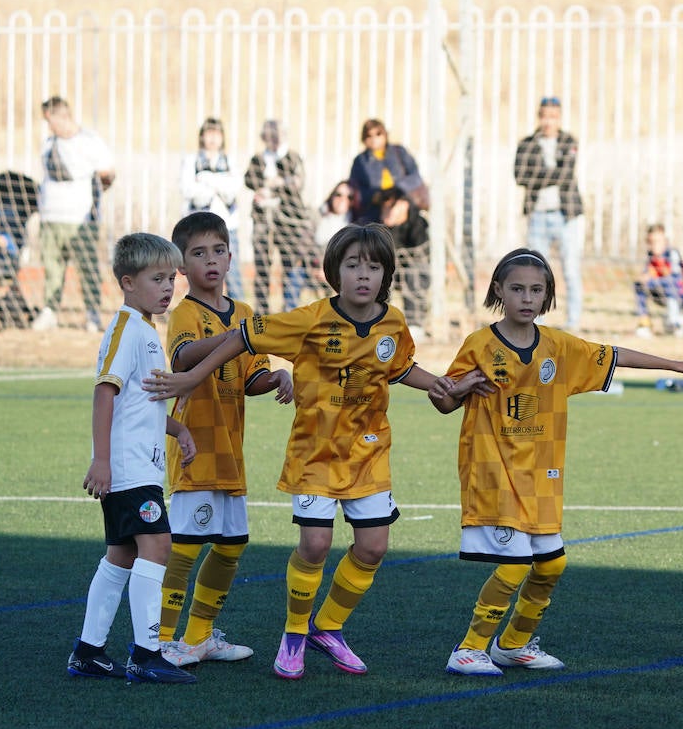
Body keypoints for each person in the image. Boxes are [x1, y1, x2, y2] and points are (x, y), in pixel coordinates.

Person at [144, 223, 484, 680]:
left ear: (386, 274)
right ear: (333, 271)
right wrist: (188, 377)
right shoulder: (309, 319)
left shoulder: (393, 322)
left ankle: (328, 628)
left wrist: (443, 383)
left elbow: (400, 367)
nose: (364, 275)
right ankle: (291, 634)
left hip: (367, 454)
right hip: (314, 454)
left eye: (374, 266)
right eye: (353, 265)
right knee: (315, 542)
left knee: (374, 545)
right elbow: (244, 336)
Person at [437, 249, 683, 676]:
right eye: (517, 289)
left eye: (536, 290)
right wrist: (460, 389)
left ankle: (513, 643)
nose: (527, 298)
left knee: (551, 564)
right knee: (513, 566)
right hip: (493, 472)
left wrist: (676, 364)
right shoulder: (479, 344)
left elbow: (613, 354)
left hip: (541, 476)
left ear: (547, 294)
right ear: (498, 291)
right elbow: (443, 399)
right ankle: (469, 648)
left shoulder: (558, 346)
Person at [156, 211, 295, 668]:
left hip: (230, 453)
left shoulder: (244, 313)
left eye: (218, 251)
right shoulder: (185, 313)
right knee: (185, 546)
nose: (210, 261)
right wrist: (236, 338)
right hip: (195, 446)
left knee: (232, 544)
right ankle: (159, 640)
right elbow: (182, 359)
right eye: (198, 253)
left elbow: (249, 377)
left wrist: (274, 376)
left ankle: (198, 638)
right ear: (181, 266)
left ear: (231, 257)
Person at [67, 231, 198, 685]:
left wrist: (177, 429)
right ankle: (146, 654)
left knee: (121, 555)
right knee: (157, 545)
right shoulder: (127, 329)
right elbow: (105, 394)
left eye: (171, 279)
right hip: (127, 467)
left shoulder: (144, 330)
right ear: (127, 282)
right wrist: (100, 461)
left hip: (139, 464)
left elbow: (139, 404)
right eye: (157, 278)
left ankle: (88, 651)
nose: (168, 288)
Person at [34, 95, 115, 332]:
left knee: (87, 267)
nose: (50, 126)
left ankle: (92, 313)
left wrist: (93, 197)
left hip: (80, 218)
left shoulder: (89, 141)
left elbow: (108, 173)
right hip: (50, 217)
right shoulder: (49, 143)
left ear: (63, 116)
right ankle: (50, 310)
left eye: (51, 120)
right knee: (52, 266)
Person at [514, 97, 586, 330]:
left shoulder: (568, 141)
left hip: (567, 215)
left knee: (571, 269)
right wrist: (549, 174)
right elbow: (521, 177)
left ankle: (573, 322)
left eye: (553, 116)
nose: (548, 121)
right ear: (539, 116)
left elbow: (565, 175)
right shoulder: (527, 144)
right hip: (538, 215)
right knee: (535, 271)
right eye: (545, 115)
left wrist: (539, 175)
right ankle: (537, 320)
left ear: (559, 117)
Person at [244, 119, 313, 314]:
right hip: (262, 219)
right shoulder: (259, 159)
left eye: (277, 135)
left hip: (288, 220)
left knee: (290, 264)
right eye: (269, 136)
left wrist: (276, 184)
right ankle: (262, 309)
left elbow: (298, 182)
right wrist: (266, 186)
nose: (273, 140)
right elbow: (249, 179)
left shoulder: (291, 157)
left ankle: (289, 309)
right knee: (262, 266)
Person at [179, 118, 244, 298]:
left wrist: (207, 178)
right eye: (209, 134)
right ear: (202, 136)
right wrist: (219, 184)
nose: (213, 139)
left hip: (227, 226)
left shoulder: (230, 160)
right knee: (199, 271)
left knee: (232, 271)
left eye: (217, 134)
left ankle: (238, 311)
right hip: (198, 227)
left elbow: (234, 186)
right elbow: (187, 189)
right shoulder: (191, 160)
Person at [349, 118, 429, 225]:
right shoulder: (360, 161)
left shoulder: (399, 151)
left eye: (378, 134)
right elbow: (355, 187)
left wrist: (398, 190)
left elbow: (415, 176)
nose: (374, 138)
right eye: (369, 135)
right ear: (364, 138)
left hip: (402, 200)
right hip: (375, 209)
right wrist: (374, 196)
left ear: (385, 134)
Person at [373, 187, 431, 336]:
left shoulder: (418, 223)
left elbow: (421, 253)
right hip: (390, 271)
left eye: (392, 206)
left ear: (404, 205)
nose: (387, 210)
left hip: (413, 273)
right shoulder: (378, 225)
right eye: (384, 206)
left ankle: (415, 324)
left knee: (414, 274)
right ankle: (379, 320)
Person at [633, 223, 683, 338]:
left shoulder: (672, 254)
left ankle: (676, 321)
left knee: (670, 284)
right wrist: (644, 278)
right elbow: (647, 274)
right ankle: (644, 323)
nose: (654, 246)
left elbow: (675, 277)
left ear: (665, 240)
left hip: (681, 294)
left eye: (658, 241)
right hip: (661, 292)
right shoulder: (651, 256)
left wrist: (651, 279)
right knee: (639, 285)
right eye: (651, 242)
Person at [315, 180, 358, 250]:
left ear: (353, 201)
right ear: (332, 196)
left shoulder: (357, 228)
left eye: (349, 197)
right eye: (339, 194)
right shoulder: (315, 216)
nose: (343, 199)